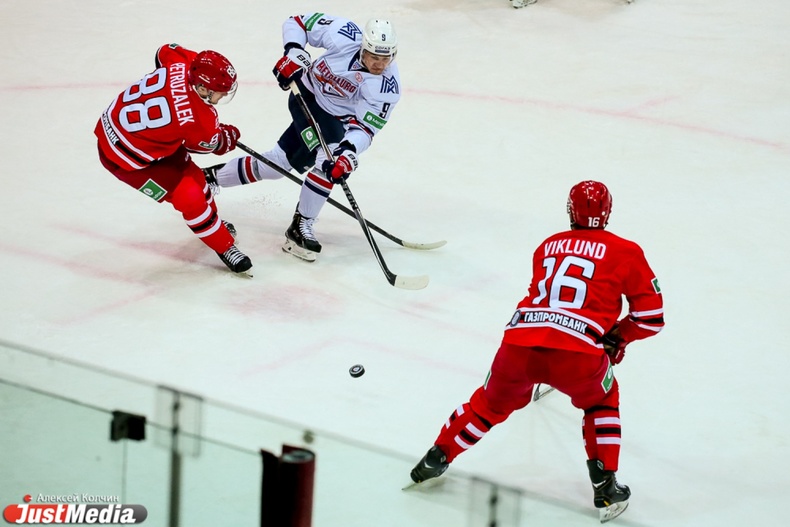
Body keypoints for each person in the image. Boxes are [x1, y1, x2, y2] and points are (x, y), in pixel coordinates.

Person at [409, 181, 664, 523]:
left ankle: (436, 457)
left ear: (570, 211)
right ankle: (605, 486)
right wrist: (619, 336)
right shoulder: (627, 252)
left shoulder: (547, 246)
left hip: (519, 345)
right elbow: (651, 318)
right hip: (578, 356)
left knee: (488, 404)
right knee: (601, 400)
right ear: (608, 212)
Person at [204, 13, 401, 262]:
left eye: (386, 58)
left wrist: (349, 151)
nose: (380, 65)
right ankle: (300, 226)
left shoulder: (388, 88)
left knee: (278, 165)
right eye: (374, 57)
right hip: (305, 96)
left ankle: (210, 178)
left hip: (334, 120)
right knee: (327, 159)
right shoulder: (344, 33)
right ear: (363, 47)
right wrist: (294, 52)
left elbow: (365, 128)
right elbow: (297, 22)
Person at [94, 43, 251, 274]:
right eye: (220, 91)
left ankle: (213, 224)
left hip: (132, 130)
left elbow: (164, 51)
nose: (225, 94)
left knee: (198, 179)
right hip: (126, 159)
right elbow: (213, 143)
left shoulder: (184, 63)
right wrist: (226, 137)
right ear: (202, 88)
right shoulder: (199, 120)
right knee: (190, 197)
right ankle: (224, 246)